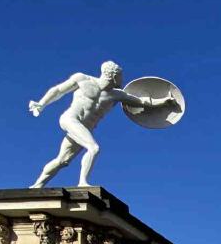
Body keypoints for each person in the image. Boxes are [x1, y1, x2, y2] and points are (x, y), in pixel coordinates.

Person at [28, 61, 177, 188]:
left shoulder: (117, 95)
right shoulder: (83, 79)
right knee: (94, 148)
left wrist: (164, 101)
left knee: (62, 161)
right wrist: (41, 104)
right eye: (120, 76)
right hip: (70, 119)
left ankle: (36, 186)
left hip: (85, 128)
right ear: (113, 75)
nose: (122, 79)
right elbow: (58, 90)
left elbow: (143, 102)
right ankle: (82, 182)